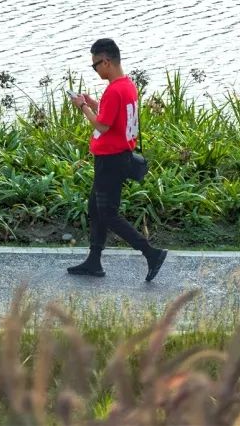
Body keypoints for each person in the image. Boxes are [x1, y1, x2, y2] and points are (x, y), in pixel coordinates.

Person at [67, 37, 167, 283]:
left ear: (107, 61)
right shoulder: (127, 86)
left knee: (108, 213)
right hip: (118, 157)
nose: (95, 70)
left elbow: (102, 124)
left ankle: (151, 253)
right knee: (95, 208)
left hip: (110, 160)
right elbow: (115, 116)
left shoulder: (114, 89)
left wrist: (82, 107)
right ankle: (94, 261)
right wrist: (95, 104)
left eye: (95, 65)